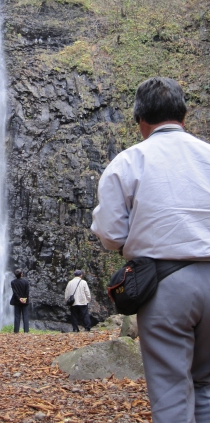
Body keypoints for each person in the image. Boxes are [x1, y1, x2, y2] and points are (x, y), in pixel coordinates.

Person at [91, 76, 210, 423]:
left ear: (140, 120)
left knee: (172, 390)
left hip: (167, 286)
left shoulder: (128, 163)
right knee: (206, 385)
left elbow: (111, 234)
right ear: (184, 116)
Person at [10, 269, 30, 333]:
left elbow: (15, 292)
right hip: (25, 301)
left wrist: (19, 298)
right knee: (25, 315)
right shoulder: (26, 282)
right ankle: (26, 331)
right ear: (21, 274)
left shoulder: (13, 282)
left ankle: (16, 331)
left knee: (17, 316)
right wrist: (24, 299)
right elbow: (27, 291)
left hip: (17, 301)